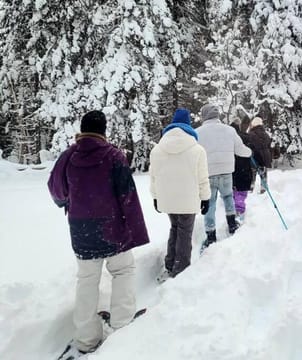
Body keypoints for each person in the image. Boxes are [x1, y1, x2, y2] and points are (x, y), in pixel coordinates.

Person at [47, 110, 149, 355]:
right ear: (103, 131)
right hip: (113, 227)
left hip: (81, 229)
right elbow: (128, 196)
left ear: (82, 130)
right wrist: (135, 229)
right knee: (123, 271)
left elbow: (55, 189)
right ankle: (122, 326)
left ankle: (85, 338)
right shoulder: (114, 156)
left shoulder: (68, 156)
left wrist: (66, 203)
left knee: (87, 280)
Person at [149, 108, 210, 277]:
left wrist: (155, 198)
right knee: (184, 232)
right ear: (188, 126)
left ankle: (170, 263)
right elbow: (202, 178)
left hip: (167, 200)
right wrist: (205, 198)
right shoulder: (198, 150)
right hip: (188, 201)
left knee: (174, 228)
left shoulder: (157, 150)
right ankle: (181, 269)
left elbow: (153, 177)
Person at [196, 104, 252, 251]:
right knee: (228, 197)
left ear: (204, 116)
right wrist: (250, 153)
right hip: (227, 171)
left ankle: (211, 235)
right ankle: (232, 225)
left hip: (208, 173)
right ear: (217, 115)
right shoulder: (229, 130)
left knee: (210, 204)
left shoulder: (197, 133)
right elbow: (241, 150)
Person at [230, 121, 253, 225]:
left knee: (233, 191)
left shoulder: (228, 139)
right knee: (241, 192)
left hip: (232, 169)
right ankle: (240, 212)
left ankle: (234, 212)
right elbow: (251, 152)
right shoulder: (246, 137)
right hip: (245, 169)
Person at [248, 117, 272, 193]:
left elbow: (249, 145)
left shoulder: (251, 134)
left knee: (252, 173)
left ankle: (251, 187)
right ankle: (263, 188)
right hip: (264, 158)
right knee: (263, 173)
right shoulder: (266, 134)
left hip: (255, 157)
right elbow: (269, 146)